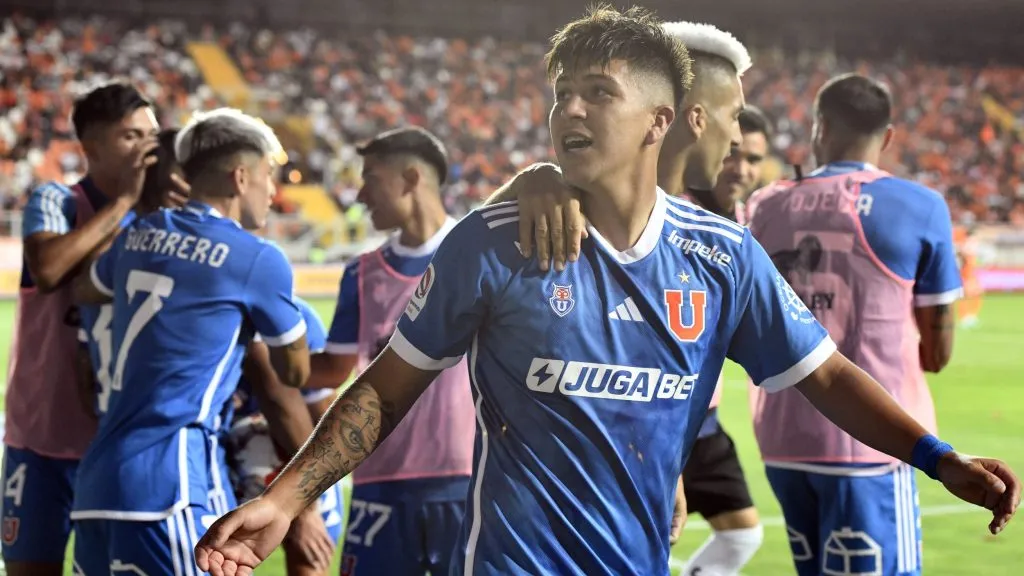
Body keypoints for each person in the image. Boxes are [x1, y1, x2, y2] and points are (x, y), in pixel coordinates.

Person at [196, 8, 1019, 576]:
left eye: (599, 92)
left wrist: (938, 461)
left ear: (661, 121)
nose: (571, 109)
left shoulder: (722, 257)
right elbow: (385, 387)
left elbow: (826, 375)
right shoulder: (495, 240)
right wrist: (288, 496)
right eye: (564, 93)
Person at [484, 21, 765, 575]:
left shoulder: (712, 236)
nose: (737, 141)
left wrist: (666, 458)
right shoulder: (582, 203)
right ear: (685, 113)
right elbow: (467, 267)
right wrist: (530, 182)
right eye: (733, 116)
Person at [744, 72, 976, 576]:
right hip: (874, 438)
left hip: (781, 434)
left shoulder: (764, 203)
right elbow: (938, 356)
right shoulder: (920, 205)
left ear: (818, 128)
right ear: (888, 136)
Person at [70, 107, 311, 574]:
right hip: (173, 483)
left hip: (98, 481)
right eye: (268, 175)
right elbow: (294, 372)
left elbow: (85, 287)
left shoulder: (139, 234)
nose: (272, 190)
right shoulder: (257, 258)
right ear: (241, 177)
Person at [2, 80, 159, 576]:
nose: (147, 147)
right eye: (131, 136)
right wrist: (123, 204)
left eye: (152, 135)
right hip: (41, 442)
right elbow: (48, 269)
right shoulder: (56, 200)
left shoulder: (162, 220)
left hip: (116, 446)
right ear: (91, 146)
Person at [307, 126, 475, 576]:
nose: (360, 194)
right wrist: (253, 357)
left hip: (468, 480)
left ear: (410, 178)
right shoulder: (361, 275)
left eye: (371, 178)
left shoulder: (482, 257)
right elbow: (332, 369)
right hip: (379, 482)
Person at [76, 127, 190, 417]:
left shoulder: (106, 259)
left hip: (107, 432)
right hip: (167, 439)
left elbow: (84, 373)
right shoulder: (191, 262)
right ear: (179, 188)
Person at [225, 296, 340, 576]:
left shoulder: (301, 320)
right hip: (223, 452)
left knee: (309, 550)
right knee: (222, 557)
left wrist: (303, 504)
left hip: (293, 450)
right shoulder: (216, 313)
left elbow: (321, 418)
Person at [710, 105, 772, 219]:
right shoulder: (674, 216)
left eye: (753, 160)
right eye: (730, 154)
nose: (741, 171)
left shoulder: (754, 226)